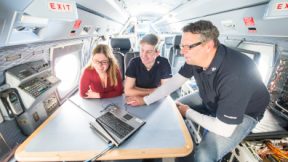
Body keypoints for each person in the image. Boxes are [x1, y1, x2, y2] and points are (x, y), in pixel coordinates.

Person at [125, 20, 270, 162]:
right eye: (182, 46)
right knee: (173, 108)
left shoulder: (236, 74)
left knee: (204, 156)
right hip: (212, 96)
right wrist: (145, 100)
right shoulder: (195, 58)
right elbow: (173, 83)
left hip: (245, 111)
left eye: (187, 46)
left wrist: (188, 112)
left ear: (208, 46)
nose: (182, 52)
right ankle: (181, 147)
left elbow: (224, 129)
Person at [124, 34, 172, 98]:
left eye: (149, 52)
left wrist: (136, 89)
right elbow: (128, 91)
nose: (144, 55)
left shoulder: (164, 63)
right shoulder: (134, 63)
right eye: (142, 50)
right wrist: (155, 91)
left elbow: (166, 91)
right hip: (137, 98)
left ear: (157, 53)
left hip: (156, 99)